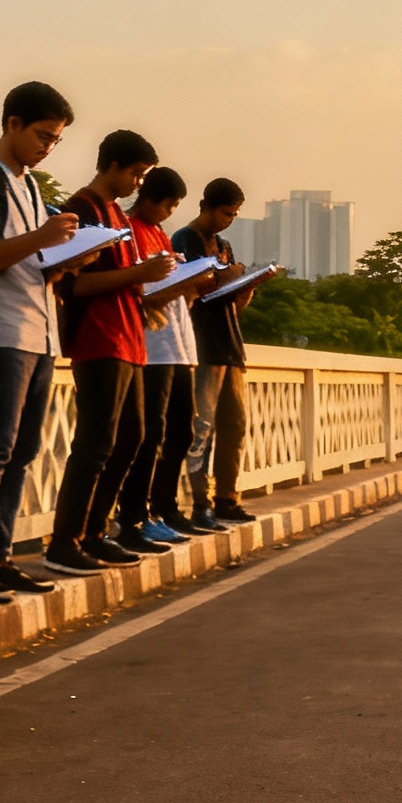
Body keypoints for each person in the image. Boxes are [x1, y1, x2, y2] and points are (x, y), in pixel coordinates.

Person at [0, 82, 94, 602]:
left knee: (23, 449)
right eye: (43, 135)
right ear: (12, 123)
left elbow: (27, 261)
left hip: (38, 330)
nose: (48, 146)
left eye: (56, 140)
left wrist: (63, 259)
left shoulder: (28, 184)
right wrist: (44, 240)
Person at [40, 131, 180, 576]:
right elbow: (74, 284)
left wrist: (151, 286)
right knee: (96, 442)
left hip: (129, 336)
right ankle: (66, 539)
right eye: (136, 173)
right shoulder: (80, 209)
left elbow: (126, 279)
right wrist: (141, 272)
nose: (138, 183)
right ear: (113, 166)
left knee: (130, 438)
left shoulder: (116, 214)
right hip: (98, 338)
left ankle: (95, 531)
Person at [121, 166, 221, 547]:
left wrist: (192, 281)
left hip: (180, 344)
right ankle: (137, 512)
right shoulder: (131, 230)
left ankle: (165, 507)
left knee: (180, 430)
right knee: (150, 434)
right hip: (152, 346)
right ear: (148, 199)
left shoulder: (161, 235)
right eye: (167, 204)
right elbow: (139, 291)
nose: (169, 212)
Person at [172, 178, 272, 528]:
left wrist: (246, 285)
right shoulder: (185, 239)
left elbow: (233, 299)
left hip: (230, 344)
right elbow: (193, 285)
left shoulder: (225, 245)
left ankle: (226, 497)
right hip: (202, 344)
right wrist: (230, 274)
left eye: (234, 215)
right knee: (200, 427)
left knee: (235, 425)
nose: (229, 220)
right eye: (226, 213)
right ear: (207, 207)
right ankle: (195, 503)